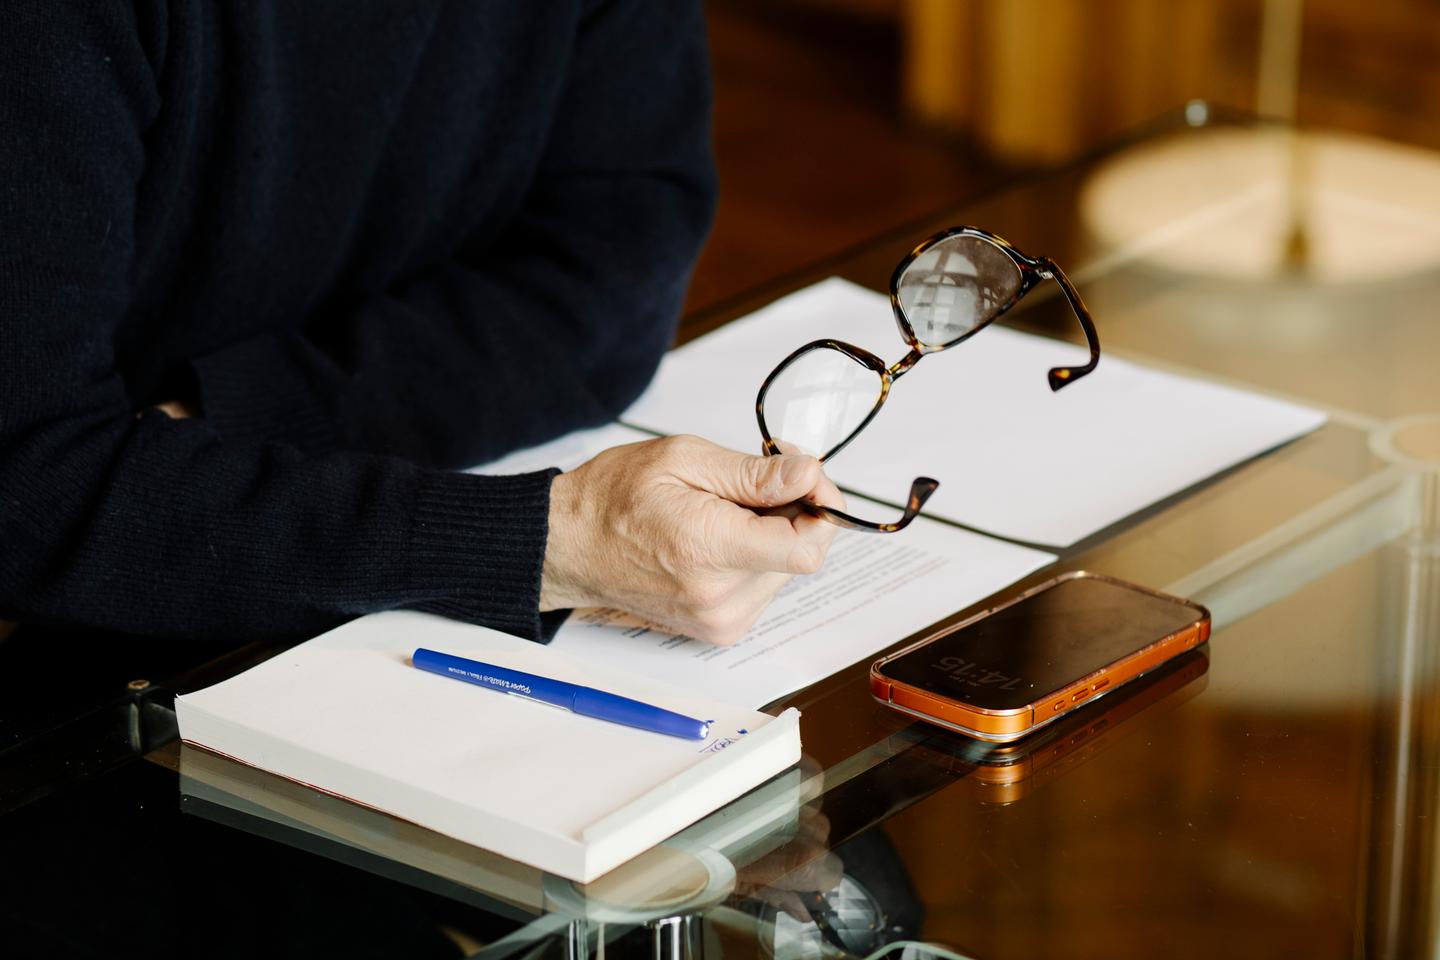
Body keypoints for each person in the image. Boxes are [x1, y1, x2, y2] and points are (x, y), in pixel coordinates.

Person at [0, 1, 840, 650]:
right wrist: (545, 542)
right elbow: (29, 491)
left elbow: (611, 287)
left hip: (206, 556)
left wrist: (215, 434)